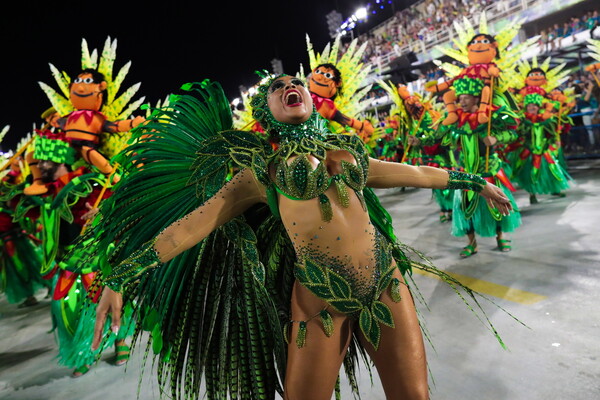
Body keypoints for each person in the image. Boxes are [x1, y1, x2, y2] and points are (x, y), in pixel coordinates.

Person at [88, 75, 513, 400]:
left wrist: (476, 182)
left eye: (298, 82)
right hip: (319, 300)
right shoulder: (258, 174)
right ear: (267, 110)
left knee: (413, 397)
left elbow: (417, 173)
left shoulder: (346, 154)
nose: (292, 85)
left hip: (385, 283)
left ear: (311, 100)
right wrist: (121, 277)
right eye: (279, 87)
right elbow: (191, 226)